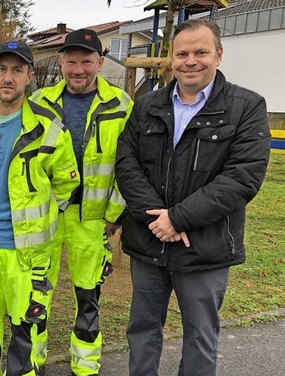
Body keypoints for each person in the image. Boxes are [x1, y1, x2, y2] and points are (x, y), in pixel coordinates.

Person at [115, 19, 271, 376]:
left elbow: (242, 177)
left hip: (205, 248)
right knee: (141, 332)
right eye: (182, 53)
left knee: (200, 337)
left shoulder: (246, 107)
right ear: (170, 58)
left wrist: (178, 219)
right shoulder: (147, 105)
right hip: (149, 242)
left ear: (218, 54)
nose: (190, 61)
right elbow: (126, 164)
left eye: (200, 52)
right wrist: (158, 219)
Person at [0, 40, 79, 376]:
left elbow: (66, 185)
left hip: (28, 256)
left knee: (25, 334)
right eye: (2, 69)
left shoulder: (49, 127)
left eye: (17, 70)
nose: (8, 77)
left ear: (29, 77)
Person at [29, 28, 133, 375]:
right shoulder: (39, 102)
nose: (78, 69)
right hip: (45, 214)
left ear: (100, 63)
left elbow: (130, 165)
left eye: (86, 62)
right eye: (71, 61)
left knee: (88, 295)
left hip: (92, 217)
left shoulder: (121, 105)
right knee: (35, 291)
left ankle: (86, 366)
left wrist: (115, 214)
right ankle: (32, 360)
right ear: (60, 63)